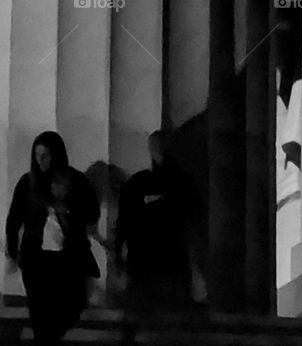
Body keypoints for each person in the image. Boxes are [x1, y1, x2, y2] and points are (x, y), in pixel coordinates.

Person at [5, 131, 100, 346]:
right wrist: (12, 251)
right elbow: (14, 219)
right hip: (36, 258)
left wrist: (67, 209)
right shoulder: (28, 182)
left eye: (46, 155)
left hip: (68, 257)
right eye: (37, 155)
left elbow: (92, 213)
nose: (41, 161)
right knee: (40, 314)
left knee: (74, 303)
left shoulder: (76, 180)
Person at [114, 131, 202, 341]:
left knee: (145, 320)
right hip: (162, 264)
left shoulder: (143, 183)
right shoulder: (184, 184)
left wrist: (119, 257)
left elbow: (123, 224)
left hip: (155, 264)